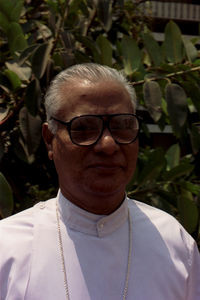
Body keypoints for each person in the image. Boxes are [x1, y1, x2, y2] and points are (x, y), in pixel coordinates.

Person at [0, 63, 199, 300]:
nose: (108, 145)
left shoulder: (173, 242)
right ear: (49, 140)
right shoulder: (8, 248)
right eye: (84, 128)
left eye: (122, 126)